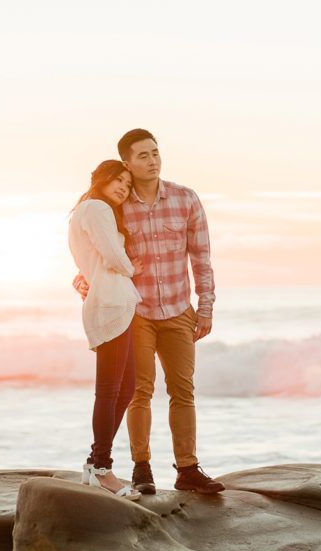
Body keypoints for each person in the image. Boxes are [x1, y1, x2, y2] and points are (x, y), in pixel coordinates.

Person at [75, 129, 224, 495]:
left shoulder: (185, 199)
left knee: (183, 390)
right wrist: (84, 285)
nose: (152, 160)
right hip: (135, 312)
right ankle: (142, 469)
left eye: (155, 153)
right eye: (143, 156)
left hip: (177, 308)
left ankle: (188, 468)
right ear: (126, 163)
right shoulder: (115, 205)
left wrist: (205, 307)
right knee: (139, 391)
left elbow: (201, 258)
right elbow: (97, 254)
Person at [68, 159, 143, 500]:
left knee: (125, 387)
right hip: (111, 305)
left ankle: (93, 463)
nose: (124, 188)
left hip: (113, 304)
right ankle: (102, 469)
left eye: (128, 185)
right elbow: (112, 255)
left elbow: (90, 261)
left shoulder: (86, 211)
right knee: (110, 390)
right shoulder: (96, 207)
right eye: (119, 180)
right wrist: (131, 267)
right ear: (101, 179)